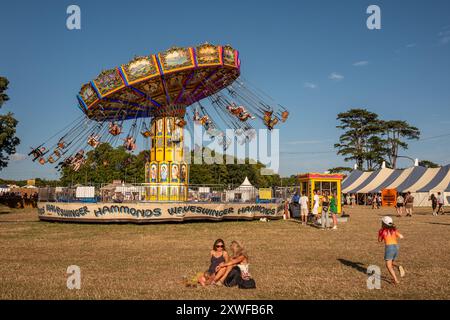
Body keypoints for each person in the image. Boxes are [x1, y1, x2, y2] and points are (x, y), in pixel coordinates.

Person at [378, 216, 406, 285]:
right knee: (391, 263)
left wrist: (380, 235)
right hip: (396, 246)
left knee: (388, 265)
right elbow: (401, 236)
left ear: (384, 224)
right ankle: (398, 266)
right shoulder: (393, 230)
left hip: (389, 247)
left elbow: (379, 240)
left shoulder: (382, 231)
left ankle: (395, 280)